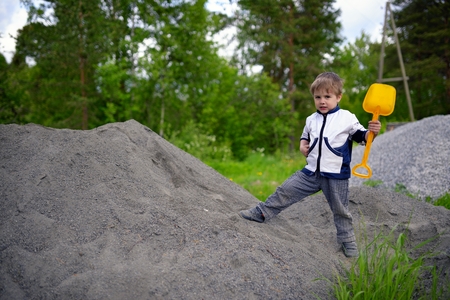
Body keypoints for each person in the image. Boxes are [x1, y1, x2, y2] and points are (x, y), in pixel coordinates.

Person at [239, 72, 381, 257]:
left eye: (327, 97)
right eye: (318, 97)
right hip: (311, 172)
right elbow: (305, 137)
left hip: (336, 175)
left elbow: (362, 137)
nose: (322, 101)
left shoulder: (347, 118)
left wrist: (372, 133)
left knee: (340, 210)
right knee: (285, 190)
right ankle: (262, 213)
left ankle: (347, 241)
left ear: (338, 97)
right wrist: (302, 144)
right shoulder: (310, 119)